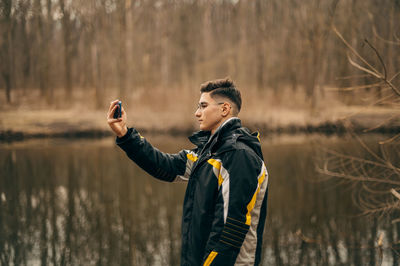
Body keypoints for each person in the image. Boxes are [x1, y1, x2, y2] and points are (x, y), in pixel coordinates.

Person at [107, 78, 269, 266]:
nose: (197, 113)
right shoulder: (210, 152)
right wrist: (125, 135)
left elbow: (229, 233)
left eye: (203, 106)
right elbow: (166, 166)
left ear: (224, 109)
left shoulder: (239, 156)